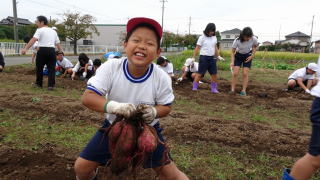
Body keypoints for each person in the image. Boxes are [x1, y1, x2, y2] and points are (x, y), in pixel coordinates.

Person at [74, 17, 189, 180]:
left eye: (149, 43)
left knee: (173, 176)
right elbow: (88, 98)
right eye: (136, 40)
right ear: (125, 45)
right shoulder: (111, 67)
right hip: (114, 126)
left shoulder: (161, 77)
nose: (142, 46)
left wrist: (154, 111)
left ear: (157, 52)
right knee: (81, 168)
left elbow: (166, 106)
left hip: (148, 130)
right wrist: (115, 107)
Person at [282, 57, 320, 180]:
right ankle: (290, 89)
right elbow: (299, 81)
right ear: (308, 69)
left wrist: (308, 90)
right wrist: (305, 89)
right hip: (294, 81)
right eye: (312, 71)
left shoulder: (310, 74)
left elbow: (310, 81)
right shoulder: (300, 71)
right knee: (315, 158)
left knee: (315, 158)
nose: (313, 73)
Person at [21, 15, 62, 91]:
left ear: (42, 22)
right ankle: (51, 86)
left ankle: (39, 84)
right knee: (51, 69)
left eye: (37, 22)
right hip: (52, 51)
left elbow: (33, 40)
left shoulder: (39, 30)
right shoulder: (53, 31)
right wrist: (60, 52)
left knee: (39, 68)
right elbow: (58, 43)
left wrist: (25, 48)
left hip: (42, 50)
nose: (36, 23)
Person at [192, 23, 222, 93]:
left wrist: (218, 56)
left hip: (212, 58)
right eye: (211, 31)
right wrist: (193, 57)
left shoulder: (214, 37)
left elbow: (215, 47)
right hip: (204, 58)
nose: (212, 32)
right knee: (200, 74)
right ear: (207, 30)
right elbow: (197, 48)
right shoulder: (201, 37)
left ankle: (214, 88)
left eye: (213, 31)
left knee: (214, 74)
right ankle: (194, 87)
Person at [230, 27, 258, 96]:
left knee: (245, 73)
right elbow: (232, 52)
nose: (248, 39)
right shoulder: (237, 40)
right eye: (246, 37)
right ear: (243, 35)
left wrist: (252, 56)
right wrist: (232, 62)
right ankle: (232, 90)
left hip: (247, 56)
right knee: (235, 73)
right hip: (238, 56)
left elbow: (255, 46)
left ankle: (243, 90)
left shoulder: (253, 38)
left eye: (249, 37)